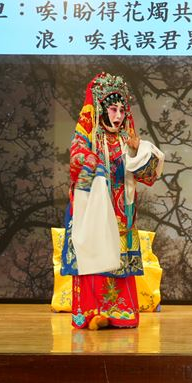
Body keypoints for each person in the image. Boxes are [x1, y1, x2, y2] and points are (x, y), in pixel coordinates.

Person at [61, 72, 164, 330]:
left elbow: (148, 176)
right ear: (101, 109)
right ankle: (93, 311)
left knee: (118, 256)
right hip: (95, 207)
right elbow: (75, 158)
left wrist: (138, 151)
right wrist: (89, 160)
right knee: (95, 254)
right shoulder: (89, 136)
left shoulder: (126, 139)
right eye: (113, 109)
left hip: (120, 209)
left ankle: (120, 312)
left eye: (121, 110)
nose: (118, 115)